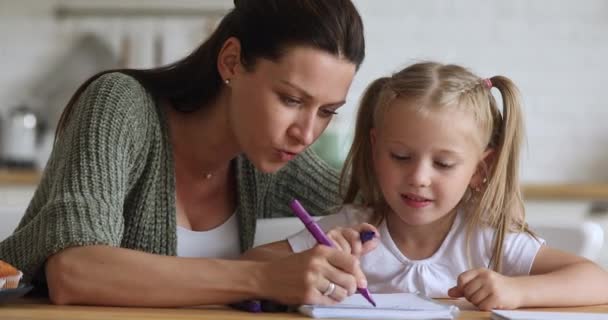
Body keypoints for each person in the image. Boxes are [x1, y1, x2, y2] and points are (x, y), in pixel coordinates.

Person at [0, 0, 370, 307]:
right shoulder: (121, 106)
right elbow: (75, 271)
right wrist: (263, 276)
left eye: (326, 112)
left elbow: (379, 199)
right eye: (290, 100)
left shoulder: (270, 155)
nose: (305, 133)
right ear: (231, 62)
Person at [247, 61, 608, 310]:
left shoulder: (485, 238)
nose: (419, 177)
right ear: (375, 150)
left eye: (443, 163)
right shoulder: (351, 229)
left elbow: (597, 281)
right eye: (401, 156)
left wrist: (515, 290)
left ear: (482, 168)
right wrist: (316, 261)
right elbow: (251, 266)